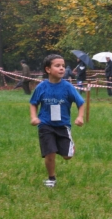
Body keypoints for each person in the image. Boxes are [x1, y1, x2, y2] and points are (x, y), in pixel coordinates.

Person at [30, 54, 85, 188]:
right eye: (57, 66)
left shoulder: (68, 87)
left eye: (63, 66)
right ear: (48, 69)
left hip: (63, 125)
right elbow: (33, 103)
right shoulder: (41, 87)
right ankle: (51, 178)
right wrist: (33, 117)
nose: (62, 69)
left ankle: (66, 146)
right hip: (45, 125)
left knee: (67, 156)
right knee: (50, 153)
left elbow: (80, 103)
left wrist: (80, 117)